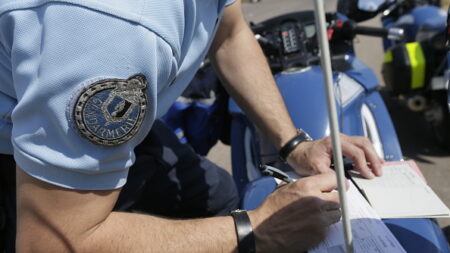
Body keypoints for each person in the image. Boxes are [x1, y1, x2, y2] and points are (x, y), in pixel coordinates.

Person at [0, 0, 383, 252]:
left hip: (129, 125)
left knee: (221, 197)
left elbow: (229, 31)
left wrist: (295, 145)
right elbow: (51, 243)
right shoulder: (118, 29)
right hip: (22, 159)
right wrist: (259, 229)